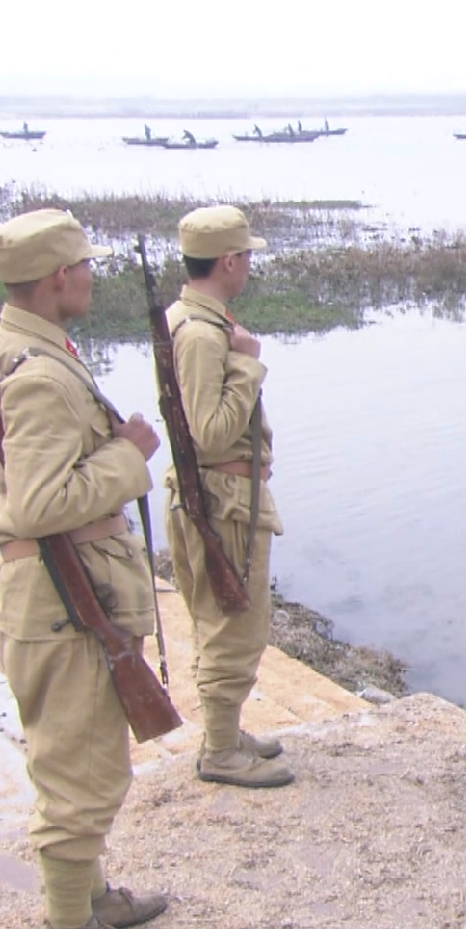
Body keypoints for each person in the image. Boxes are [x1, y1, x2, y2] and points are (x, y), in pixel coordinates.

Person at [0, 209, 167, 929]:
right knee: (79, 771)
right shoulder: (40, 373)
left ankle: (89, 896)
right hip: (60, 601)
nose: (90, 276)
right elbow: (42, 504)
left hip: (57, 592)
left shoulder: (4, 349)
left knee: (84, 754)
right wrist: (128, 455)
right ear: (56, 277)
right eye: (82, 266)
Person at [163, 205, 292, 789]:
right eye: (246, 257)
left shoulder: (194, 320)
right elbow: (210, 432)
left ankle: (225, 730)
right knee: (233, 621)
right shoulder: (201, 334)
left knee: (226, 616)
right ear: (230, 261)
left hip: (222, 496)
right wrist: (247, 364)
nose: (249, 268)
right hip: (224, 502)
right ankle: (218, 749)